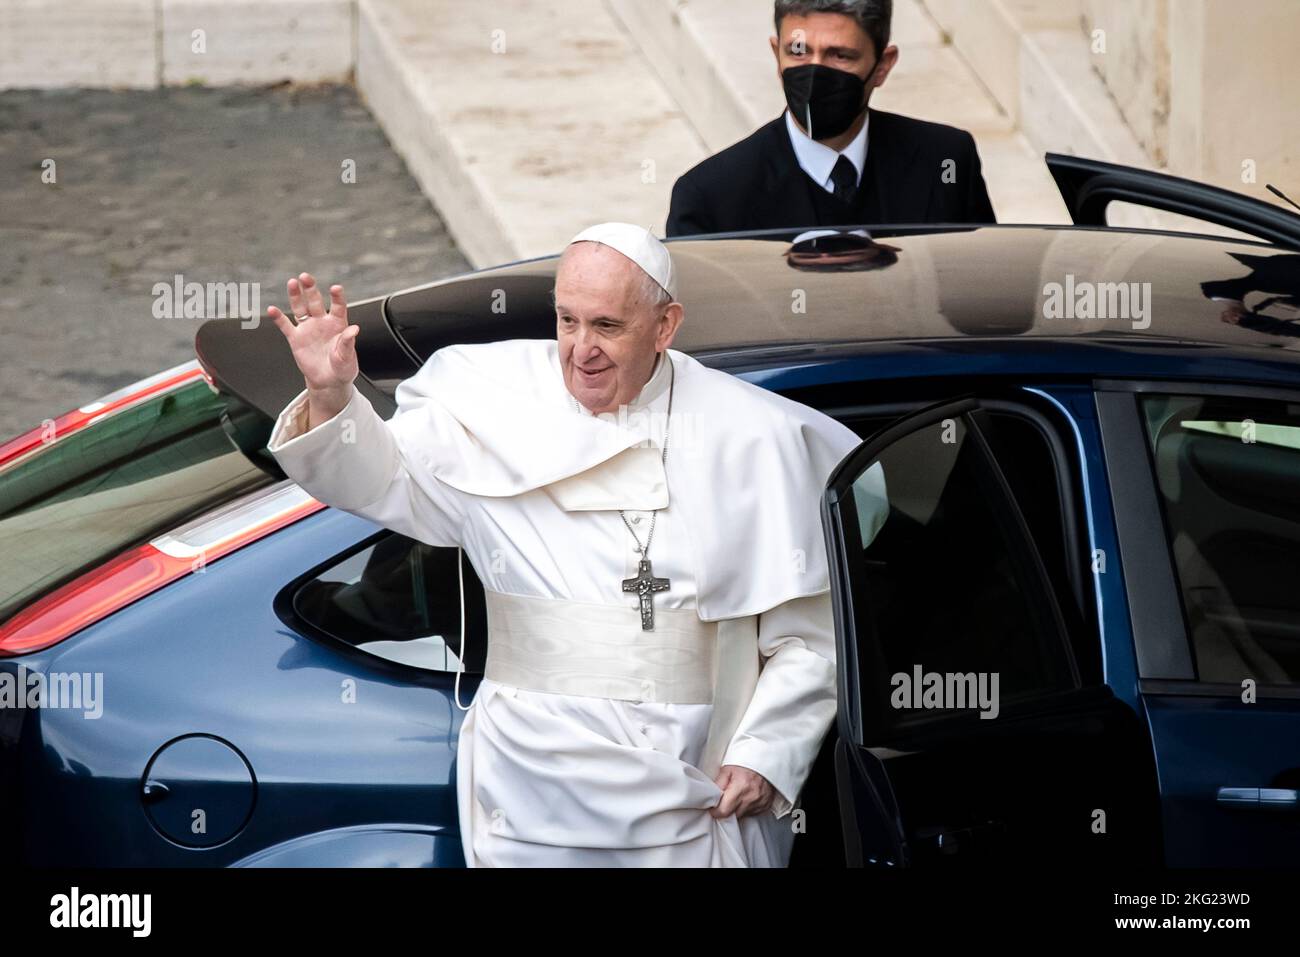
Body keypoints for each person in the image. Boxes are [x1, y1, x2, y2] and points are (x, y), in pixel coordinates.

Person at [264, 222, 888, 866]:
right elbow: (379, 480)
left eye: (607, 326)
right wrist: (330, 394)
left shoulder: (752, 437)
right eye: (567, 321)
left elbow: (811, 636)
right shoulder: (490, 404)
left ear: (666, 325)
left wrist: (766, 754)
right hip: (533, 791)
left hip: (691, 789)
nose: (581, 349)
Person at [666, 0, 996, 237]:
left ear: (883, 66)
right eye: (798, 52)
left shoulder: (946, 160)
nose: (815, 72)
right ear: (775, 53)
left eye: (840, 55)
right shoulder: (710, 197)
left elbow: (990, 299)